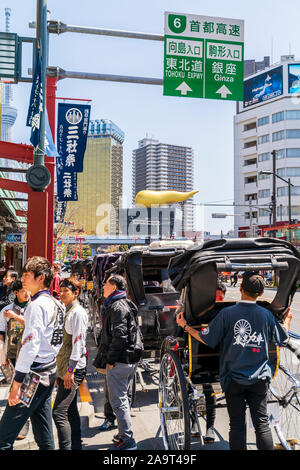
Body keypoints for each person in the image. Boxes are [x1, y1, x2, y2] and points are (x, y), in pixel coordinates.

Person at [176, 271, 292, 450]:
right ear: (261, 294)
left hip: (233, 378)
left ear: (240, 288)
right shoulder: (266, 315)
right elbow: (282, 338)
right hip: (260, 378)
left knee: (236, 424)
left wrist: (185, 326)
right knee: (262, 424)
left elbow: (206, 338)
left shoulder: (227, 314)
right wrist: (287, 320)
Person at [0, 256, 65, 450]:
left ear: (41, 277)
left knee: (3, 438)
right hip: (48, 368)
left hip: (33, 374)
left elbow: (30, 346)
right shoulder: (55, 303)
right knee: (44, 435)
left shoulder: (36, 306)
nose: (23, 278)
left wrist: (17, 383)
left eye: (27, 274)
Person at [93, 274, 140, 451]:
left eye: (106, 284)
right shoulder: (125, 303)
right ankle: (122, 434)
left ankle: (128, 440)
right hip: (129, 358)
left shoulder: (117, 306)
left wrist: (111, 360)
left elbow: (119, 336)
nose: (103, 287)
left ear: (113, 287)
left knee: (118, 401)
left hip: (120, 360)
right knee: (122, 399)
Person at [52, 277, 89, 450]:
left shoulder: (78, 313)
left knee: (59, 412)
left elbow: (78, 344)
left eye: (66, 291)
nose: (62, 294)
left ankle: (67, 448)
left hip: (74, 368)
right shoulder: (66, 310)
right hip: (65, 367)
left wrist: (70, 371)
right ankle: (76, 446)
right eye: (61, 290)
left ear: (76, 293)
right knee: (70, 410)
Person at [191, 279, 227, 443]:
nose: (218, 301)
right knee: (193, 390)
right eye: (216, 298)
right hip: (198, 354)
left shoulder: (226, 312)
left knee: (209, 391)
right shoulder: (198, 311)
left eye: (221, 298)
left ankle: (210, 427)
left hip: (219, 356)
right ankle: (192, 422)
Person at [0, 279, 31, 439]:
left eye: (28, 290)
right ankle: (21, 424)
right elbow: (1, 335)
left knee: (26, 389)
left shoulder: (34, 308)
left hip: (31, 356)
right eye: (23, 291)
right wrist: (2, 356)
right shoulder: (6, 310)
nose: (26, 293)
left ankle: (24, 423)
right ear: (15, 293)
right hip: (12, 355)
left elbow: (34, 326)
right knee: (17, 389)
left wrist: (15, 317)